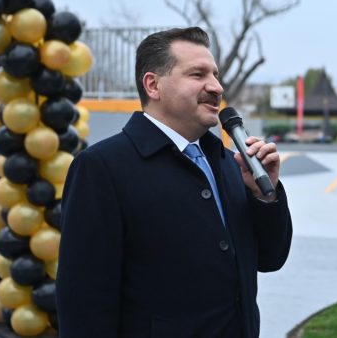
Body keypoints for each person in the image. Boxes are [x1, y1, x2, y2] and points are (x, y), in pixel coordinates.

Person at [57, 27, 293, 337]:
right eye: (198, 74)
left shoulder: (231, 163)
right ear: (153, 85)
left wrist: (266, 196)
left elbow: (270, 258)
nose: (216, 87)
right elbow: (84, 303)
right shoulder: (102, 168)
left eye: (216, 75)